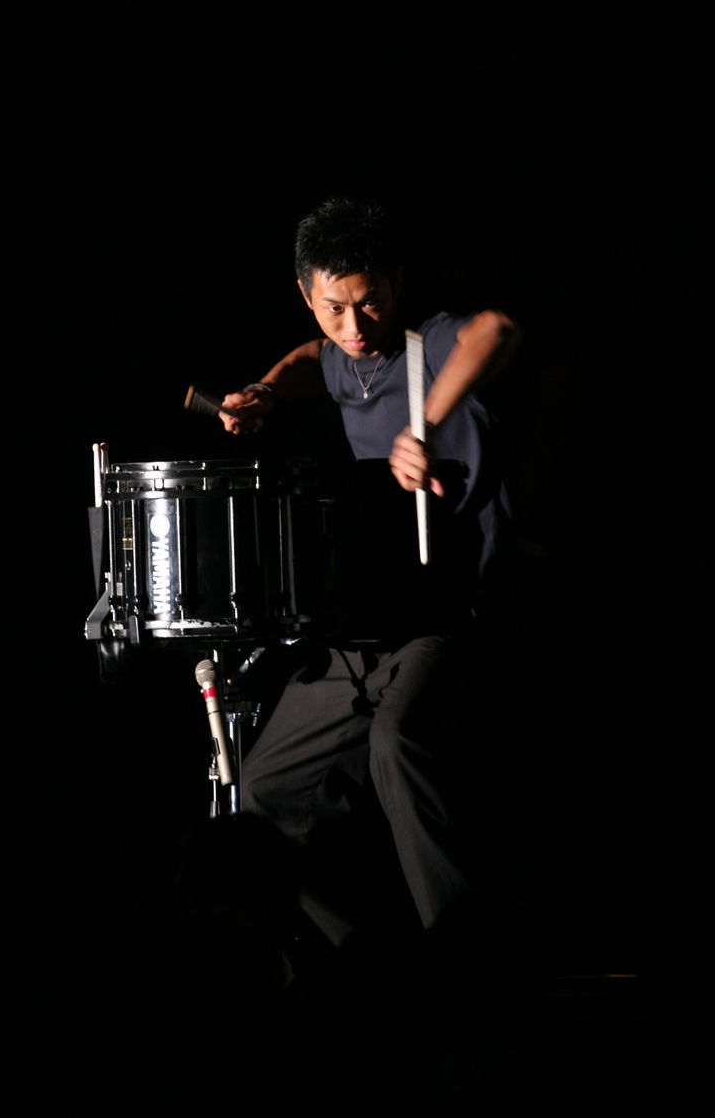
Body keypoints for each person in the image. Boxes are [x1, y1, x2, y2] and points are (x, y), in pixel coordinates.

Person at [216, 194, 522, 978]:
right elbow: (307, 362)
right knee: (266, 790)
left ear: (395, 282)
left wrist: (425, 425)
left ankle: (469, 967)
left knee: (397, 745)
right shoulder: (336, 356)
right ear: (306, 295)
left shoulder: (430, 341)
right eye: (334, 308)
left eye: (369, 302)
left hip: (449, 618)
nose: (354, 326)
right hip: (363, 627)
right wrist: (262, 390)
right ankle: (362, 968)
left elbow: (496, 329)